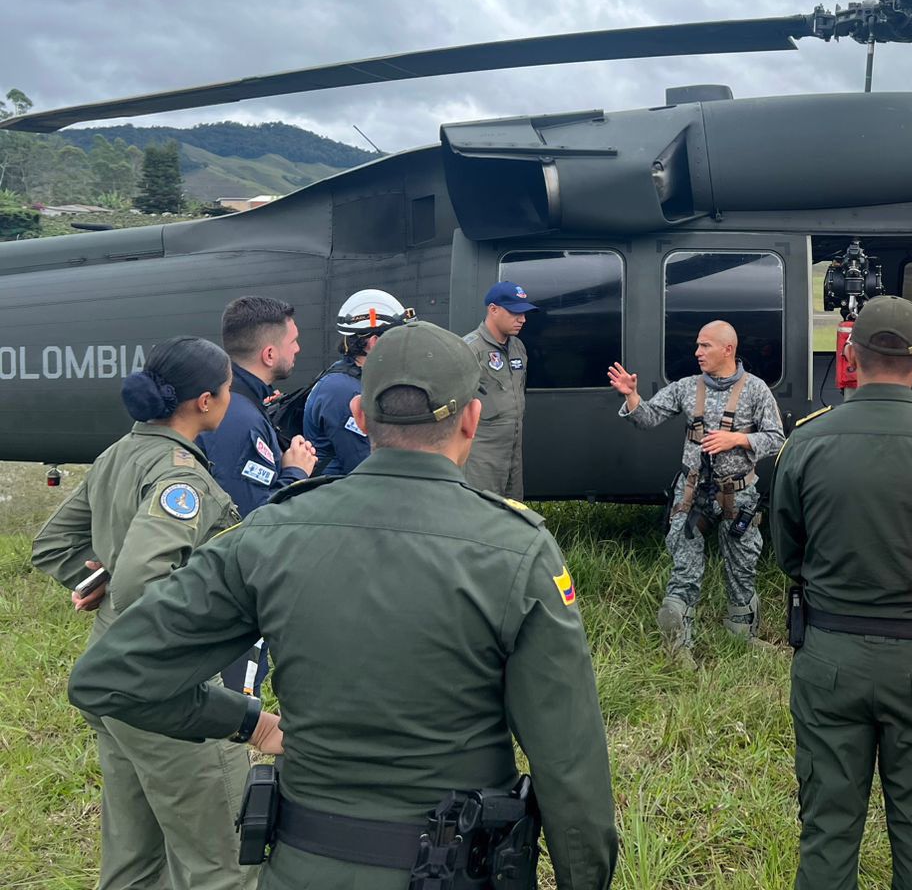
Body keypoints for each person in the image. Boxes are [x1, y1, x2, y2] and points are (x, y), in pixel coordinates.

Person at [68, 321, 619, 889]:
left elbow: (108, 678)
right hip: (455, 871)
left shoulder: (271, 533)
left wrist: (248, 723)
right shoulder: (518, 551)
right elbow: (568, 763)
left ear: (358, 414)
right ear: (473, 419)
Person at [770, 295, 912, 890]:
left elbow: (788, 554)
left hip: (829, 654)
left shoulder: (808, 441)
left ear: (850, 354)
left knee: (828, 830)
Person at [32, 337, 255, 890]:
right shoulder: (183, 479)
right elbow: (143, 581)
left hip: (113, 681)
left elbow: (53, 545)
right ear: (205, 401)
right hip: (170, 692)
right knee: (223, 866)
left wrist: (97, 580)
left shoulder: (119, 453)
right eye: (228, 387)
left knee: (133, 863)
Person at [607, 320, 786, 659]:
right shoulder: (686, 387)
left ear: (728, 350)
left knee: (743, 565)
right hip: (691, 495)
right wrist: (631, 396)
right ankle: (679, 646)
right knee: (685, 568)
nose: (697, 352)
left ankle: (742, 636)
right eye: (697, 345)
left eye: (705, 346)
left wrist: (738, 438)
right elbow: (647, 418)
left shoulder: (756, 389)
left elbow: (777, 438)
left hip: (740, 494)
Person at [199, 295, 318, 696]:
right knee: (234, 697)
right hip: (231, 590)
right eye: (293, 341)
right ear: (269, 353)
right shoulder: (239, 417)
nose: (298, 349)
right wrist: (296, 473)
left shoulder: (235, 401)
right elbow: (248, 520)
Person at [303, 287, 409, 477]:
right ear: (375, 342)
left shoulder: (351, 378)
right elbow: (365, 466)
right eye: (400, 338)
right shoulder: (344, 392)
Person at [462, 280, 537, 497]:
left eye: (524, 313)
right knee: (481, 512)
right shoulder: (470, 349)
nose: (522, 319)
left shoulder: (518, 348)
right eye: (515, 312)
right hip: (481, 455)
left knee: (513, 511)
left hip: (512, 452)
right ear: (493, 310)